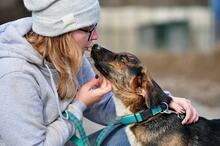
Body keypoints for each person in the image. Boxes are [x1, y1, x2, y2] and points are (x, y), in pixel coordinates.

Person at [0, 0, 199, 145]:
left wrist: (161, 103)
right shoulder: (15, 75)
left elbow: (104, 108)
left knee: (139, 137)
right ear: (61, 31)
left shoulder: (69, 57)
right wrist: (79, 105)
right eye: (89, 29)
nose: (95, 36)